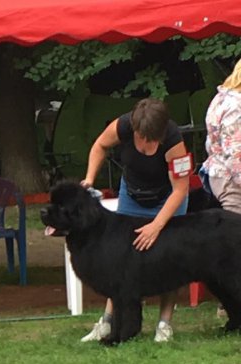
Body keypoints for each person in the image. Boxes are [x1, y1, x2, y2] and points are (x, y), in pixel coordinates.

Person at [80, 98, 189, 343]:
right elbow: (99, 146)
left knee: (169, 259)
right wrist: (89, 178)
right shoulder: (123, 126)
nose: (145, 143)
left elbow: (180, 190)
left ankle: (164, 324)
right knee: (119, 260)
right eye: (141, 136)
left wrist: (157, 225)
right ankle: (107, 322)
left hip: (167, 199)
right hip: (132, 195)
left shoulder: (173, 141)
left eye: (151, 139)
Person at [202, 58, 241, 319]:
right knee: (235, 247)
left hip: (217, 175)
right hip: (234, 181)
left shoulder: (219, 99)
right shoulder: (237, 108)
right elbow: (237, 155)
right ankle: (230, 306)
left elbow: (209, 143)